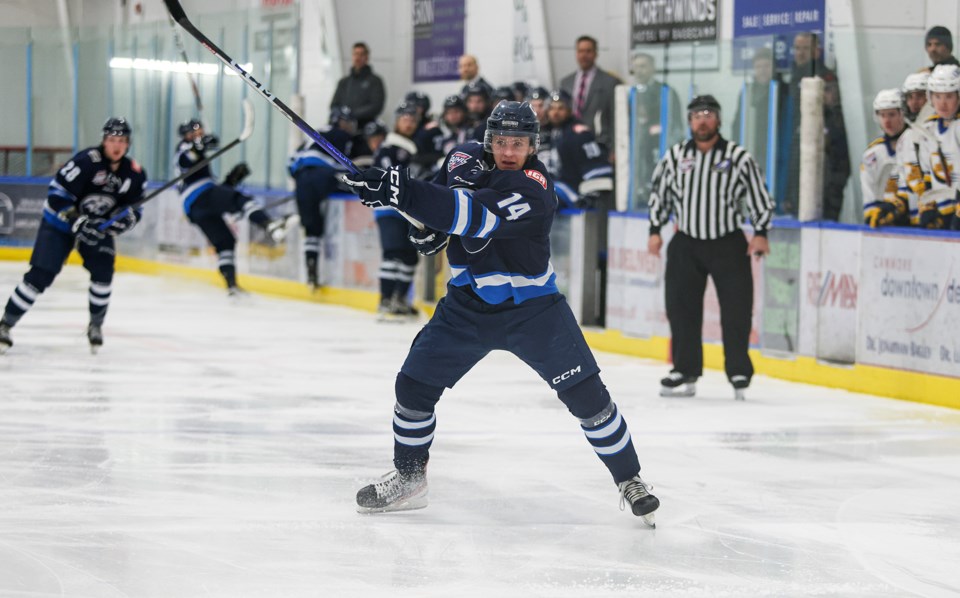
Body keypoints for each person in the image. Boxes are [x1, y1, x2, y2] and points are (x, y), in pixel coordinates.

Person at [342, 101, 660, 525]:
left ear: (533, 147)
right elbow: (439, 203)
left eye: (520, 143)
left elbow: (475, 215)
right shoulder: (462, 159)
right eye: (502, 142)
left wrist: (403, 191)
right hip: (467, 306)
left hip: (534, 311)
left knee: (588, 399)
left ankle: (630, 479)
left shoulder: (535, 187)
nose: (509, 151)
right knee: (413, 388)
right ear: (489, 140)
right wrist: (421, 223)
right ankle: (409, 478)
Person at [648, 95, 774, 401]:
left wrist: (760, 231)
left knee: (736, 310)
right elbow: (659, 194)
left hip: (727, 242)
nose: (702, 121)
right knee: (681, 309)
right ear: (689, 121)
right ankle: (685, 369)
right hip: (686, 242)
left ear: (718, 120)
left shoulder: (738, 156)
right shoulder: (675, 156)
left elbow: (759, 195)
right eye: (696, 116)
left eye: (708, 115)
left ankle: (738, 370)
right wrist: (655, 229)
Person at [0, 118, 147, 354]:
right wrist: (75, 219)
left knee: (103, 273)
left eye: (121, 141)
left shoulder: (134, 173)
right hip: (59, 224)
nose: (116, 146)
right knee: (40, 275)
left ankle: (95, 326)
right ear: (103, 141)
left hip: (98, 227)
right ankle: (5, 324)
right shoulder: (86, 162)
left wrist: (125, 221)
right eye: (111, 140)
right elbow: (56, 195)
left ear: (128, 144)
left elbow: (134, 209)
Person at [175, 119, 287, 295]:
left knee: (225, 241)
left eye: (199, 132)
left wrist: (228, 183)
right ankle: (268, 224)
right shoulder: (183, 148)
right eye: (193, 134)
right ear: (185, 136)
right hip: (200, 196)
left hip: (196, 209)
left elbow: (201, 171)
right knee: (239, 199)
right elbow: (186, 160)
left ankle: (231, 286)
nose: (198, 135)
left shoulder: (196, 152)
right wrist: (200, 145)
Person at [779, 32, 849, 219]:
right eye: (797, 48)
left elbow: (835, 121)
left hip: (823, 158)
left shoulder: (825, 79)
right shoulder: (791, 80)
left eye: (805, 48)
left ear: (816, 51)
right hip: (794, 153)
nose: (800, 53)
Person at [288, 106, 356, 289]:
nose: (349, 126)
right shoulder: (342, 136)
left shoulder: (315, 131)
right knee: (358, 189)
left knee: (312, 227)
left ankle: (311, 269)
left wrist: (301, 178)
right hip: (323, 176)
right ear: (340, 121)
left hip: (302, 178)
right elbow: (345, 166)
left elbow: (291, 162)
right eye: (347, 122)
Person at [370, 102, 423, 319]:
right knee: (392, 252)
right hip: (389, 208)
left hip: (410, 209)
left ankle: (400, 299)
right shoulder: (388, 147)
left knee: (410, 255)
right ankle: (385, 299)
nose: (409, 123)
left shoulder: (414, 147)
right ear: (397, 121)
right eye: (405, 119)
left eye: (412, 120)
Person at [540, 89, 614, 209]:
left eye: (560, 108)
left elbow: (597, 166)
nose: (555, 113)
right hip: (548, 188)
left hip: (569, 192)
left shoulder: (579, 134)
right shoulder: (544, 134)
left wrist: (591, 194)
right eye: (552, 108)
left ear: (569, 110)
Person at [629, 51, 684, 206]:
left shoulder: (665, 91)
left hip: (657, 149)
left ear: (653, 68)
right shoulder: (630, 93)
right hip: (636, 151)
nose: (639, 71)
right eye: (636, 67)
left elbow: (676, 124)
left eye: (643, 66)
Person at [912, 64, 960, 228]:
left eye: (948, 96)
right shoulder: (927, 129)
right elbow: (926, 174)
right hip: (944, 211)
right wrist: (927, 205)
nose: (943, 103)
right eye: (938, 97)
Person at [559, 35, 622, 154]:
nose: (584, 55)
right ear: (576, 53)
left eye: (588, 51)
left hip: (599, 143)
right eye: (580, 51)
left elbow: (615, 118)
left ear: (595, 54)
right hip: (570, 143)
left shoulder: (610, 82)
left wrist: (614, 148)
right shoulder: (565, 82)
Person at [732, 47, 786, 174]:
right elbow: (738, 123)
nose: (762, 70)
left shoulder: (782, 91)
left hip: (775, 153)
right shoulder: (747, 92)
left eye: (766, 66)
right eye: (759, 67)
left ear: (773, 67)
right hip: (751, 150)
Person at [861, 89, 908, 227]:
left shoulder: (916, 145)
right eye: (882, 115)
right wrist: (874, 215)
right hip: (884, 222)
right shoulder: (872, 154)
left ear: (902, 113)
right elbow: (869, 193)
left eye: (892, 115)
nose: (887, 121)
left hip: (913, 220)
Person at [331, 42, 386, 129]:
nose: (358, 57)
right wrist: (340, 115)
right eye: (355, 54)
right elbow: (334, 104)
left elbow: (376, 106)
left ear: (367, 57)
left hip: (365, 129)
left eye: (361, 54)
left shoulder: (375, 81)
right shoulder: (344, 82)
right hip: (343, 129)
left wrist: (352, 114)